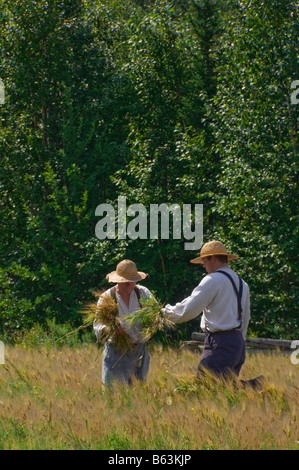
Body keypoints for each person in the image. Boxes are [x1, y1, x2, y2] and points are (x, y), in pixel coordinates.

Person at [162, 240, 251, 381]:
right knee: (225, 392)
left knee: (207, 386)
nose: (203, 265)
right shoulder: (242, 283)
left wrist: (163, 314)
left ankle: (257, 386)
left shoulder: (212, 280)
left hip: (220, 343)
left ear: (213, 258)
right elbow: (246, 316)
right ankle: (257, 388)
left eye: (204, 260)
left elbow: (189, 309)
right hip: (237, 343)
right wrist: (239, 340)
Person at [94, 259, 153, 389]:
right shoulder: (107, 298)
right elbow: (98, 326)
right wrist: (110, 330)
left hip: (139, 351)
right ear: (117, 281)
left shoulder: (143, 294)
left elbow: (155, 317)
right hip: (115, 352)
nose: (129, 286)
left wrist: (150, 323)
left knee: (138, 394)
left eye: (132, 281)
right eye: (125, 282)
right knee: (112, 395)